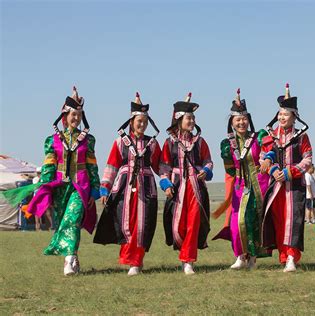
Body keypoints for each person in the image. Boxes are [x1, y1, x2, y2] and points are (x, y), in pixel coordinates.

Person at [4, 86, 100, 276]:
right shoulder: (52, 140)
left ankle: (69, 260)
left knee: (72, 219)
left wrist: (95, 189)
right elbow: (49, 166)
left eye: (79, 115)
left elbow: (92, 166)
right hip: (59, 188)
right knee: (64, 222)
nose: (77, 119)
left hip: (80, 187)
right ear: (65, 115)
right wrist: (43, 185)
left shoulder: (88, 140)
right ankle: (73, 257)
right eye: (74, 114)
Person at [93, 93, 161, 276]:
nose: (142, 124)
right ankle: (130, 258)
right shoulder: (120, 142)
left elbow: (160, 166)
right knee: (126, 224)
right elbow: (112, 165)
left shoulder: (152, 144)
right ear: (132, 121)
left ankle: (136, 261)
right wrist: (105, 187)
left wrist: (167, 180)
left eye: (145, 121)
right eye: (139, 120)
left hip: (146, 188)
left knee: (142, 224)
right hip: (124, 188)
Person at [212, 88, 270, 270]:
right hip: (240, 187)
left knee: (254, 221)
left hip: (259, 186)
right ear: (232, 122)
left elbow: (269, 152)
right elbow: (229, 170)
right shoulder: (226, 144)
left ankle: (253, 257)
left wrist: (266, 159)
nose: (241, 122)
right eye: (238, 119)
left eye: (244, 119)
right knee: (238, 222)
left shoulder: (258, 137)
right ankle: (240, 255)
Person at [260, 83, 312, 272]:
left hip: (294, 185)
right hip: (276, 185)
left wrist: (291, 172)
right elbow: (263, 157)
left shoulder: (301, 137)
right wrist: (273, 170)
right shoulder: (270, 136)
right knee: (279, 218)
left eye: (286, 114)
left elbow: (308, 159)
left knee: (294, 219)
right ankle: (283, 256)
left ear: (294, 116)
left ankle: (292, 256)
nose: (282, 117)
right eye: (280, 114)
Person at [159, 92, 213, 275]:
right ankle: (184, 253)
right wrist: (166, 184)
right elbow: (164, 167)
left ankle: (188, 260)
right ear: (179, 119)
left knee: (194, 222)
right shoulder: (169, 143)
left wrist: (205, 171)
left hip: (196, 189)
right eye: (188, 118)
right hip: (177, 188)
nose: (192, 121)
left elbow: (208, 161)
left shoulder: (200, 142)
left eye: (193, 118)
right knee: (178, 224)